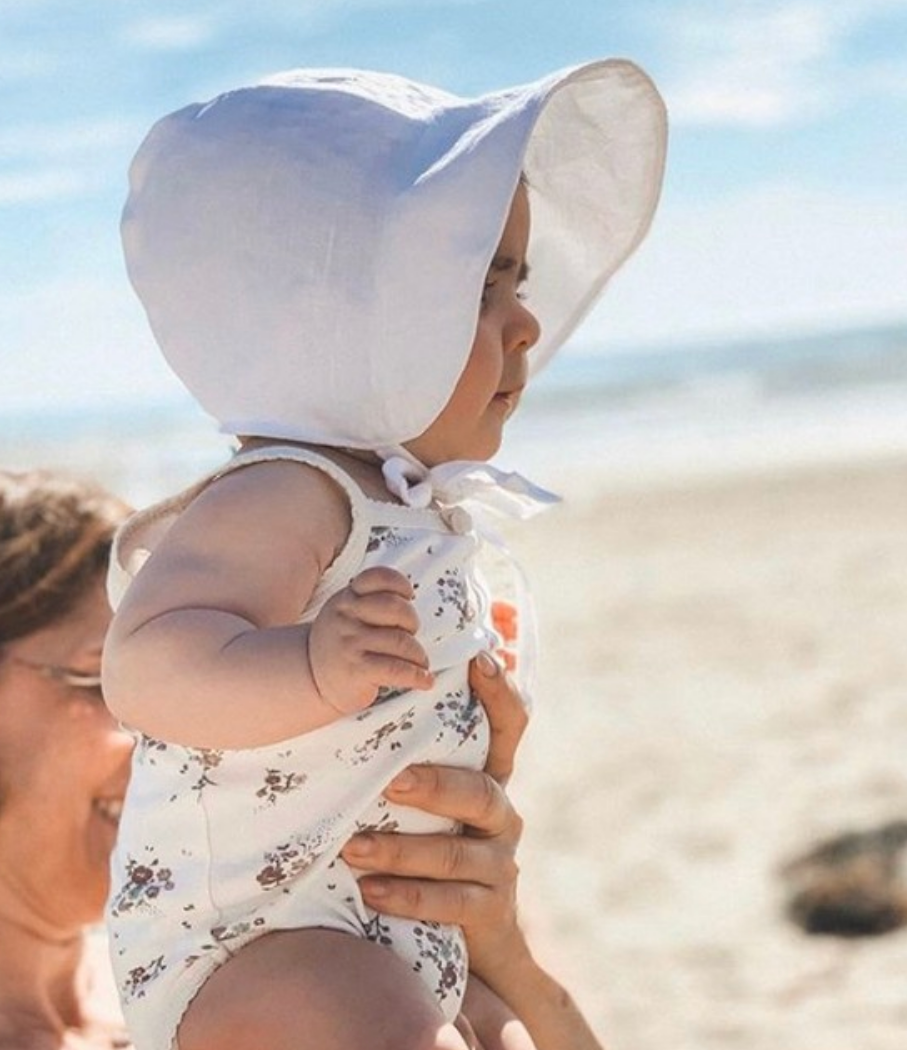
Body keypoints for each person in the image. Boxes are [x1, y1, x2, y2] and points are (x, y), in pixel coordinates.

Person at [103, 61, 666, 1050]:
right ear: (336, 322)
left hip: (388, 929)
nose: (526, 322)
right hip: (260, 936)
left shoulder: (407, 510)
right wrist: (310, 665)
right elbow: (146, 666)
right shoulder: (288, 490)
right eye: (481, 287)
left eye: (518, 282)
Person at [0, 469, 603, 1050]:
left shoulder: (285, 981)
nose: (185, 737)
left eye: (220, 672)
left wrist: (500, 951)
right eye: (107, 682)